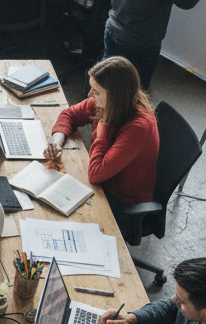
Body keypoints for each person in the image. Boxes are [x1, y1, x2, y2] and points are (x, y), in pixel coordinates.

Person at [45, 56, 159, 223]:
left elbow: (96, 174)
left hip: (120, 200)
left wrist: (103, 129)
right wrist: (57, 142)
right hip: (103, 181)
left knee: (57, 215)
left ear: (115, 96)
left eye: (96, 92)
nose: (90, 94)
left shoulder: (139, 128)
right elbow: (70, 114)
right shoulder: (106, 103)